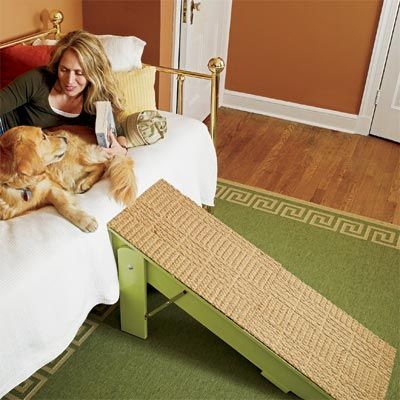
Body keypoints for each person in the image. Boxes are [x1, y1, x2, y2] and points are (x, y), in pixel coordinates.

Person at [0, 30, 128, 156]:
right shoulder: (37, 80)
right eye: (64, 70)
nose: (69, 81)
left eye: (79, 73)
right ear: (57, 65)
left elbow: (119, 130)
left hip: (27, 152)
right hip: (5, 131)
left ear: (93, 73)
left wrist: (122, 149)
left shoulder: (97, 98)